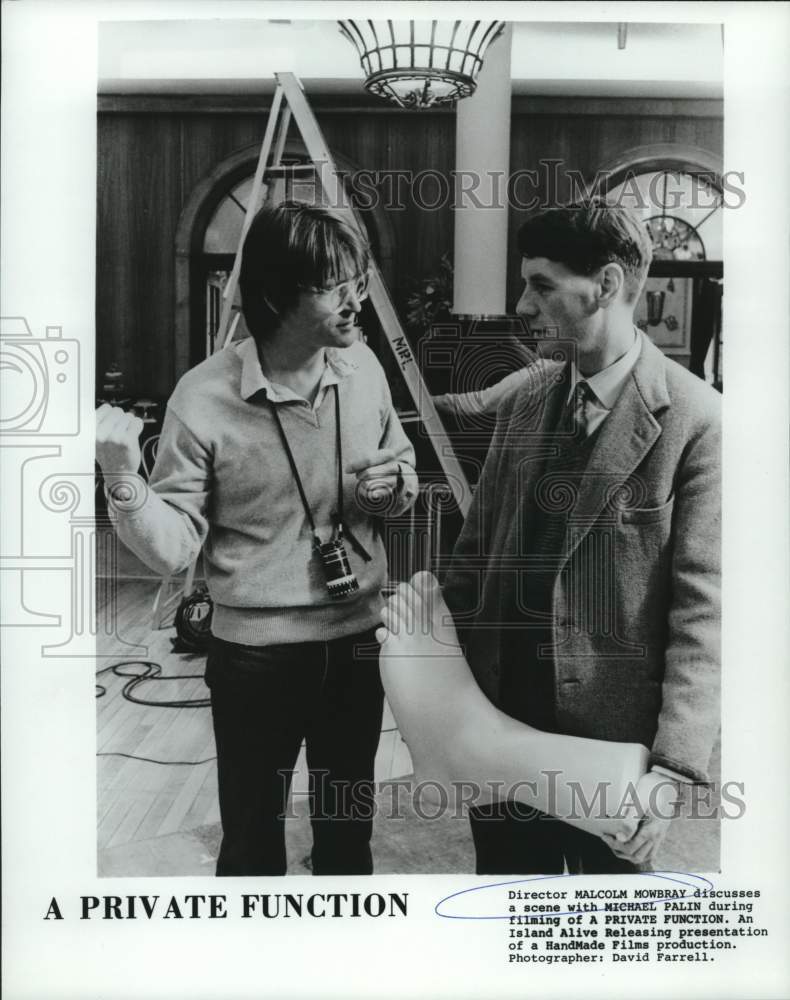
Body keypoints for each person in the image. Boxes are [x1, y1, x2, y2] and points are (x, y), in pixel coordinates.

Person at [378, 202, 720, 875]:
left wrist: (673, 772)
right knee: (507, 924)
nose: (522, 304)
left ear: (609, 283)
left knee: (603, 947)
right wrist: (433, 665)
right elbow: (475, 553)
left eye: (542, 284)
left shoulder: (698, 422)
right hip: (500, 732)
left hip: (612, 754)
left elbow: (705, 614)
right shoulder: (528, 400)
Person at [96, 201, 418, 876]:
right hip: (256, 661)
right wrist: (124, 480)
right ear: (276, 293)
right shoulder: (203, 395)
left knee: (347, 841)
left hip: (357, 645)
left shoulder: (363, 372)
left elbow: (400, 464)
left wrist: (392, 487)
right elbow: (174, 549)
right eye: (335, 286)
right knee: (250, 849)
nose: (356, 301)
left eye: (358, 282)